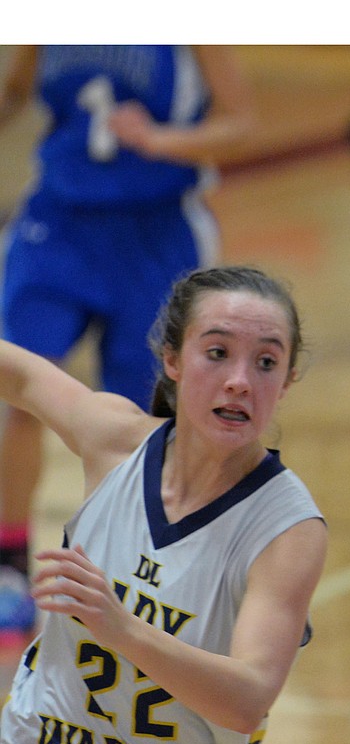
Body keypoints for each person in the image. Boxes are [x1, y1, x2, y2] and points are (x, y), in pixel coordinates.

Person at [0, 264, 327, 744]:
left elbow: (248, 698)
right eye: (217, 353)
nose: (240, 381)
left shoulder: (288, 528)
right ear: (172, 360)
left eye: (266, 362)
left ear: (289, 380)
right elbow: (21, 378)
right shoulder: (112, 439)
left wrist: (119, 625)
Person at [0, 45, 256, 642]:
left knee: (144, 419)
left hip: (156, 227)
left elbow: (241, 124)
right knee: (17, 392)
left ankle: (134, 574)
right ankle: (9, 570)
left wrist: (161, 140)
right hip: (57, 222)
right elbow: (17, 90)